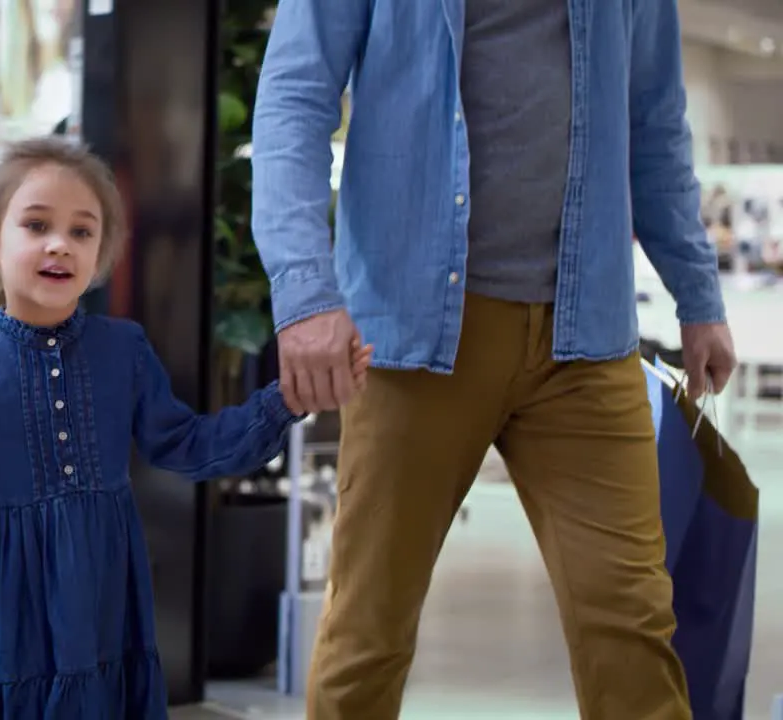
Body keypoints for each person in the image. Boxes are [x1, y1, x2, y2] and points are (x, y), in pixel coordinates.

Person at [251, 2, 737, 719]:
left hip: (587, 337)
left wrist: (699, 295)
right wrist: (305, 291)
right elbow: (294, 98)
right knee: (369, 631)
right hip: (414, 331)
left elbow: (655, 122)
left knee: (632, 625)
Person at [0, 136, 372, 718]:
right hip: (8, 615)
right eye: (37, 225)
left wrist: (285, 400)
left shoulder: (123, 349)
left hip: (103, 605)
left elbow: (189, 446)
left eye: (82, 231)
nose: (60, 245)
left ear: (102, 253)